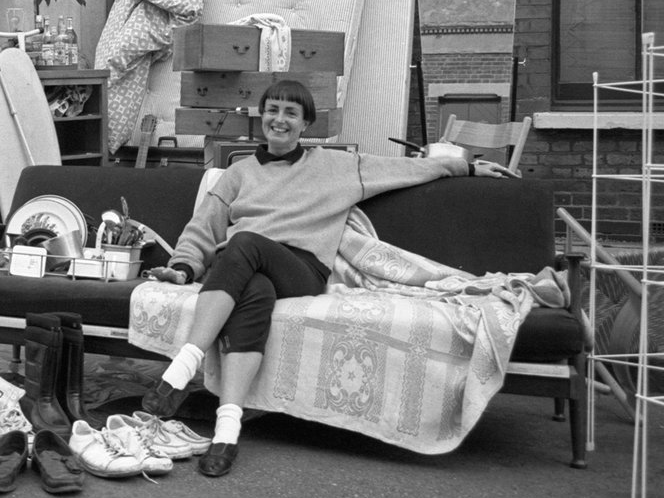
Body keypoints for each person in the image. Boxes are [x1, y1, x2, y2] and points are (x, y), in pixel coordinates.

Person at [140, 79, 514, 477]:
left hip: (300, 270)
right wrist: (182, 268)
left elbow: (406, 167)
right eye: (272, 110)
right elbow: (203, 229)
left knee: (244, 243)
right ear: (260, 116)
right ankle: (227, 432)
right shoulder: (238, 173)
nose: (279, 120)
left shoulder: (336, 166)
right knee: (254, 290)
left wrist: (467, 166)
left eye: (290, 113)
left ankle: (182, 367)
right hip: (244, 269)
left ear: (306, 124)